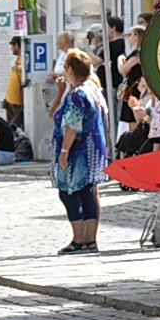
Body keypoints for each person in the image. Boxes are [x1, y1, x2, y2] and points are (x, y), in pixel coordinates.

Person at [52, 48, 110, 254]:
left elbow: (72, 125)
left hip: (79, 151)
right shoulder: (93, 90)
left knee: (69, 192)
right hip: (93, 149)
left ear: (69, 69)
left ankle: (79, 239)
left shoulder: (78, 95)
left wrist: (64, 151)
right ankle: (89, 240)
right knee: (88, 193)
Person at [3, 36, 25, 131]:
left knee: (14, 128)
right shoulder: (17, 59)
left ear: (17, 45)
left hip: (18, 102)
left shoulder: (24, 60)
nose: (11, 48)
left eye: (12, 45)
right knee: (10, 126)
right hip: (10, 100)